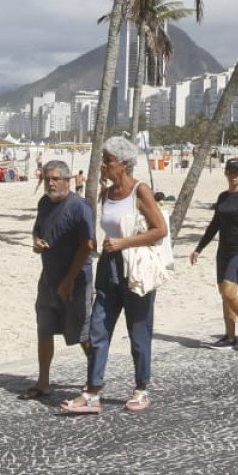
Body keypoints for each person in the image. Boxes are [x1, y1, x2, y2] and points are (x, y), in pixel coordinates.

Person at [62, 137, 170, 415]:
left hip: (135, 266)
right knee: (99, 328)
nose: (104, 166)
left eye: (108, 161)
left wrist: (124, 243)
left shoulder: (140, 191)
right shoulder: (105, 194)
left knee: (138, 331)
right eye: (104, 160)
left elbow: (160, 230)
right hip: (108, 266)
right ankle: (93, 391)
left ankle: (141, 388)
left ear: (123, 164)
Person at [27, 159, 94, 399]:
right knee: (44, 327)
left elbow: (87, 246)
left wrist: (69, 280)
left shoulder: (80, 207)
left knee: (82, 332)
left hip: (77, 279)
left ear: (68, 181)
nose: (51, 183)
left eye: (56, 179)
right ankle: (43, 381)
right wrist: (36, 241)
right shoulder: (44, 203)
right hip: (48, 277)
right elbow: (37, 229)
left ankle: (94, 379)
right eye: (47, 179)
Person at [189, 157, 238, 350]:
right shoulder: (223, 197)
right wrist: (199, 248)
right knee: (225, 295)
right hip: (223, 253)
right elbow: (214, 226)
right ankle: (229, 336)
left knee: (229, 292)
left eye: (237, 171)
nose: (233, 174)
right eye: (230, 171)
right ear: (226, 173)